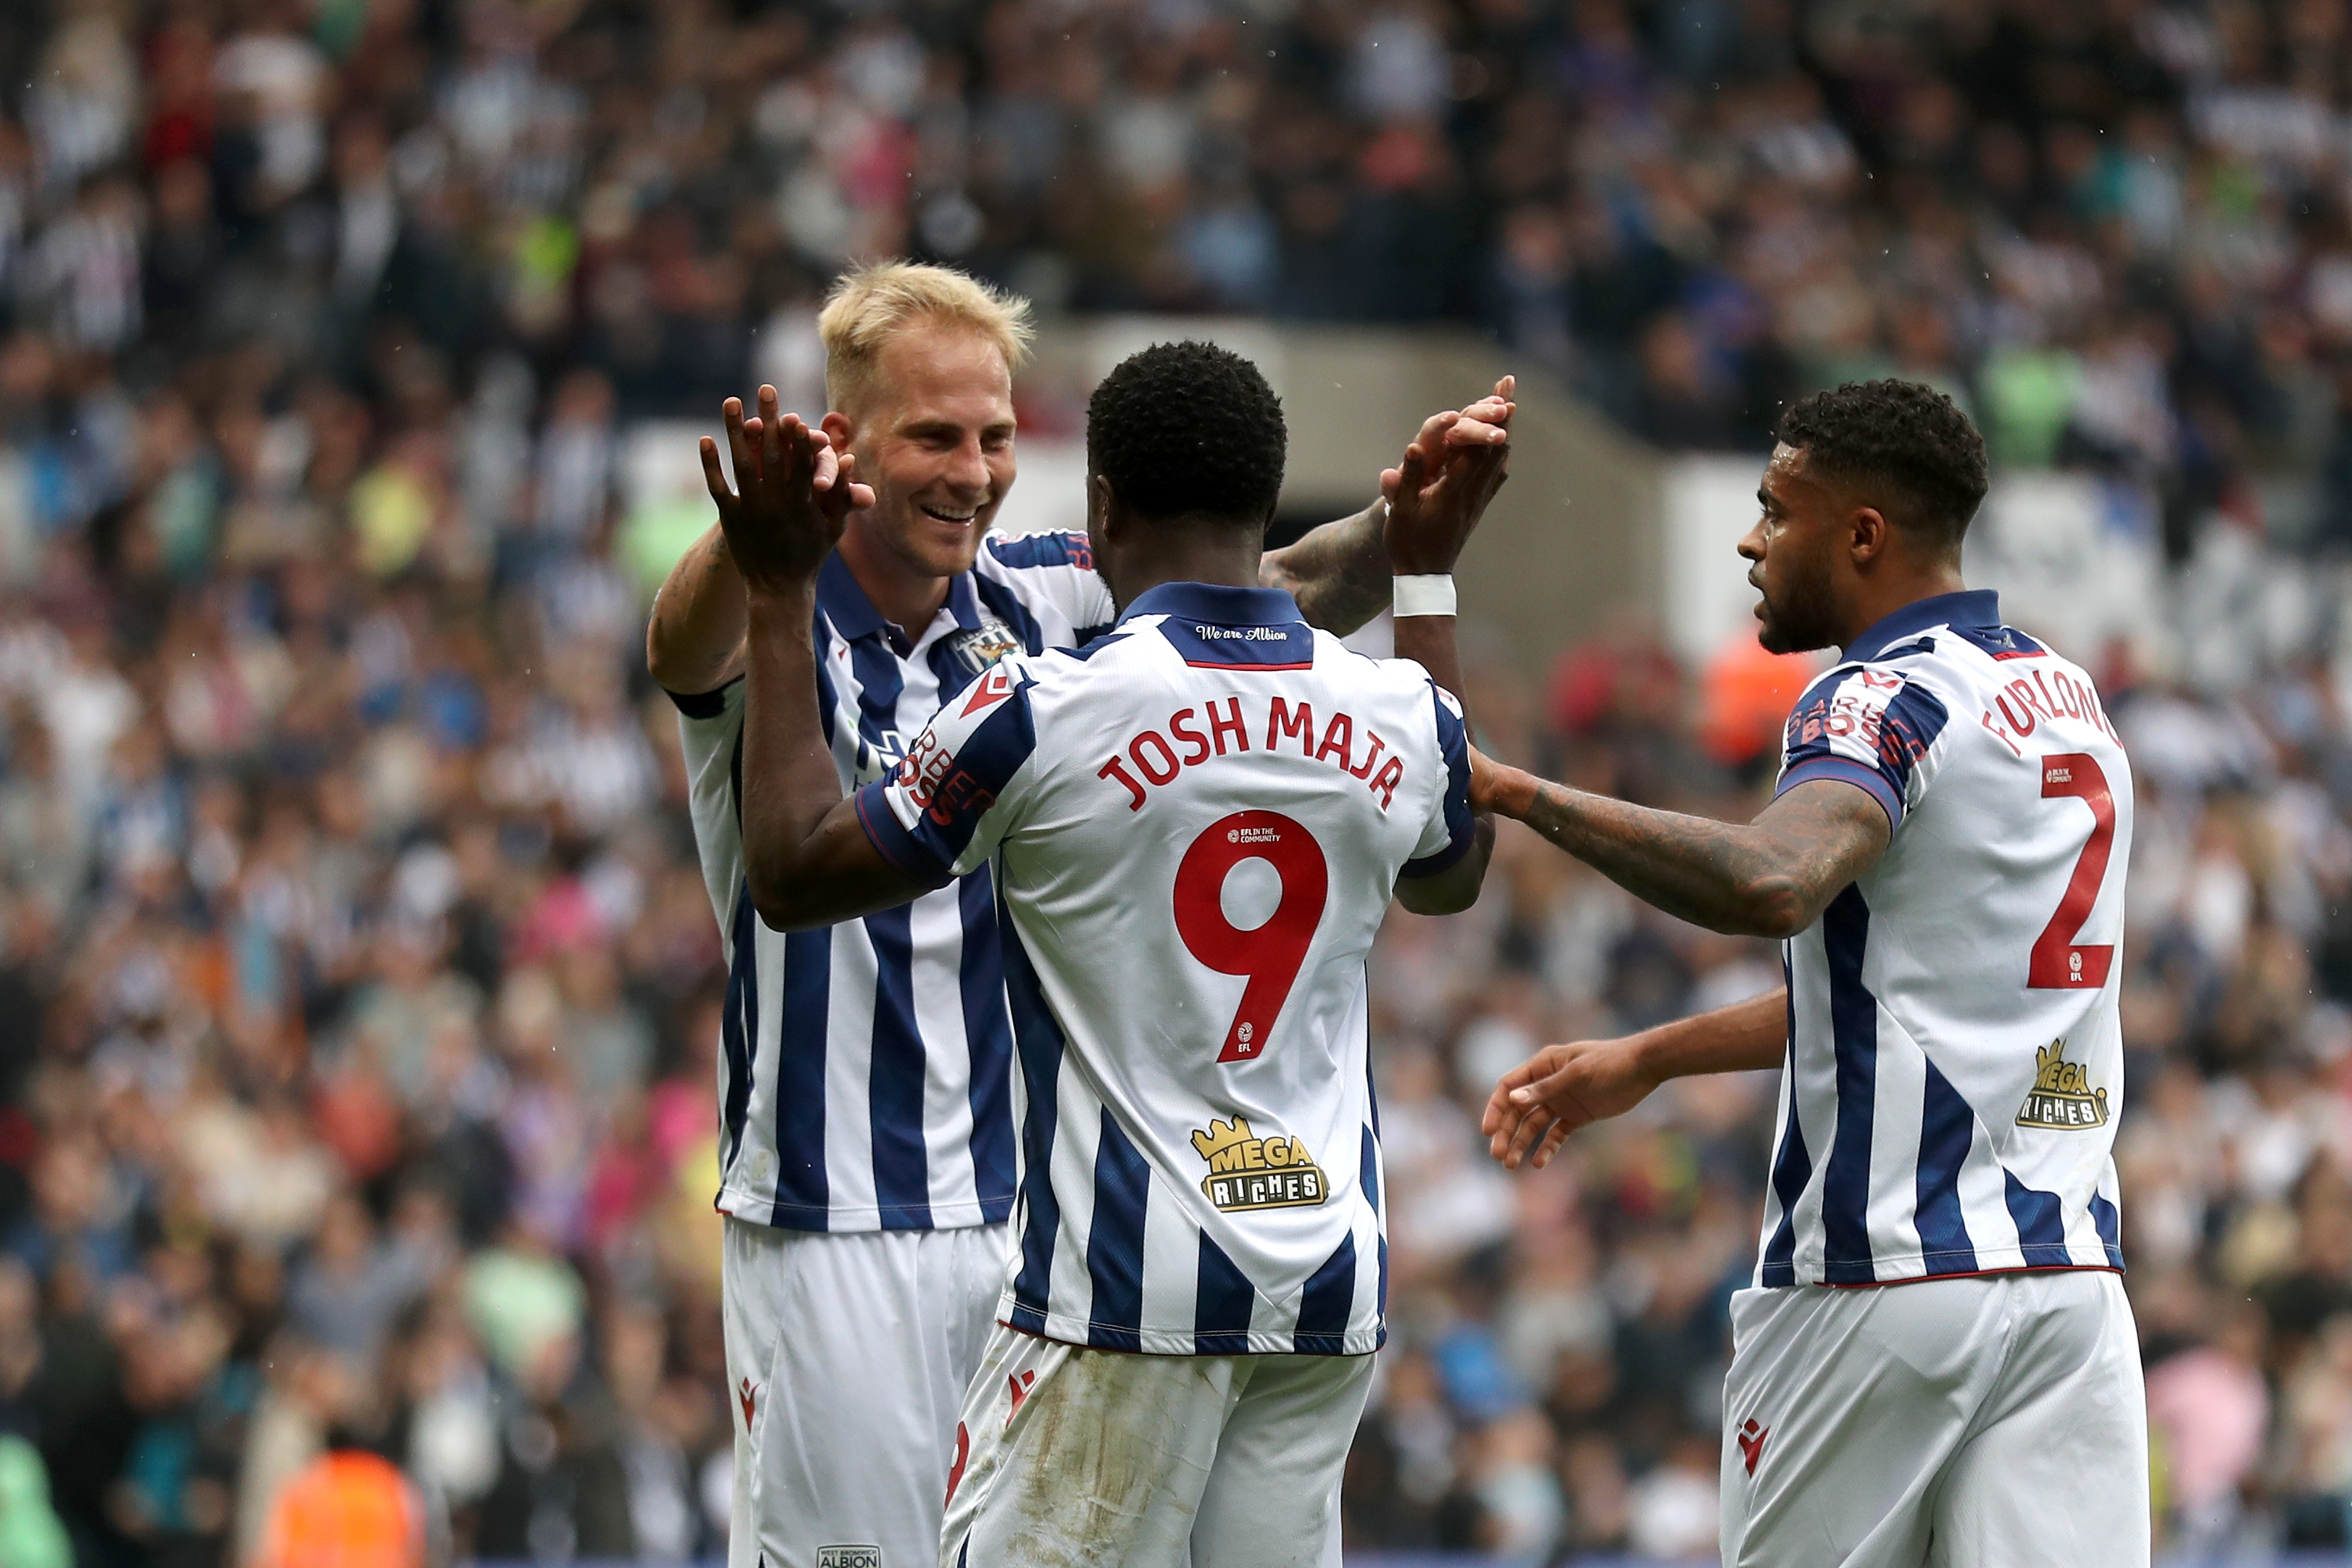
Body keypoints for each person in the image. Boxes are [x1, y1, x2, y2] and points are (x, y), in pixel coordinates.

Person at [647, 261, 1513, 1568]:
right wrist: (755, 534)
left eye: (994, 436)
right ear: (845, 442)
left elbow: (1257, 582)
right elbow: (677, 646)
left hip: (1036, 1223)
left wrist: (1402, 527)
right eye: (932, 437)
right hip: (836, 1217)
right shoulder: (774, 609)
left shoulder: (1042, 598)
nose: (972, 471)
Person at [1475, 380, 2148, 1567]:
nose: (1750, 540)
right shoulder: (2062, 694)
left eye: (1774, 510)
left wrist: (1521, 793)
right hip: (2067, 1288)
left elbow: (1775, 882)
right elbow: (1911, 993)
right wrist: (1651, 1056)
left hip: (1882, 1281)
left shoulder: (1879, 693)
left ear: (1862, 535)